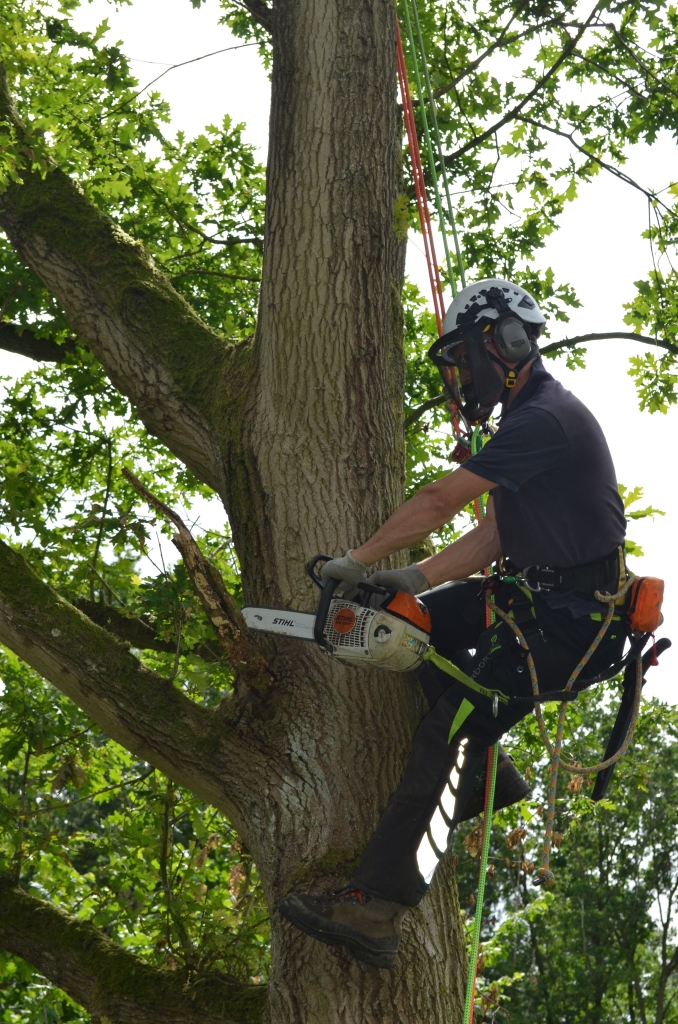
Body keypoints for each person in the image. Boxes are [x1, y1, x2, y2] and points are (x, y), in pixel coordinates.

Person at [279, 279, 628, 968]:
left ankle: (378, 907)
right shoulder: (524, 424)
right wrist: (408, 580)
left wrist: (358, 558)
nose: (459, 376)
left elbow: (442, 500)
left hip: (570, 625)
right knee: (413, 623)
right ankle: (492, 773)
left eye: (463, 358)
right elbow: (491, 537)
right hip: (533, 603)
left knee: (451, 726)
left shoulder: (543, 419)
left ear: (506, 342)